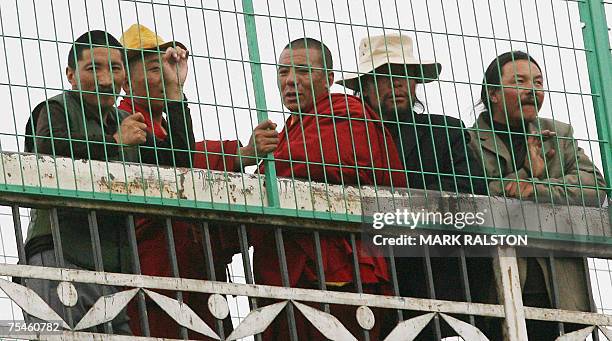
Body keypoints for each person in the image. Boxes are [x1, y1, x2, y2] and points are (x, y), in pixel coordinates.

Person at [119, 24, 278, 339]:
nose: (165, 77)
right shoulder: (125, 123)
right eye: (155, 69)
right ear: (124, 80)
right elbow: (180, 161)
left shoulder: (163, 127)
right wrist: (241, 154)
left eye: (167, 68)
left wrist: (242, 153)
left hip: (190, 272)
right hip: (155, 275)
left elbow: (186, 156)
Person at [337, 34, 490, 339]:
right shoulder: (350, 135)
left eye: (405, 75)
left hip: (438, 277)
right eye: (384, 76)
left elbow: (473, 187)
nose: (395, 83)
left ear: (416, 83)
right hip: (374, 278)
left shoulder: (445, 130)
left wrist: (400, 196)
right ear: (365, 88)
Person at [252, 37, 406, 340]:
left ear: (330, 79)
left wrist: (261, 168)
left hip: (339, 271)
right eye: (283, 73)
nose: (291, 82)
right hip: (292, 273)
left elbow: (336, 159)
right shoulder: (290, 128)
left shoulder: (347, 111)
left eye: (303, 72)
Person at [469, 51, 606, 339]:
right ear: (493, 93)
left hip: (562, 292)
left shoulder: (558, 133)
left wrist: (536, 186)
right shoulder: (469, 140)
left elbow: (594, 187)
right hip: (497, 290)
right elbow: (478, 190)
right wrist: (526, 173)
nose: (532, 90)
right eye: (519, 81)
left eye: (538, 82)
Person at [22, 30, 147, 333]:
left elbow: (175, 162)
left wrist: (174, 92)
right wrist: (114, 142)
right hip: (60, 254)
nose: (106, 79)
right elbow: (55, 151)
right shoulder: (56, 109)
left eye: (115, 68)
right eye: (94, 68)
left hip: (112, 267)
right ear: (71, 74)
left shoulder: (124, 120)